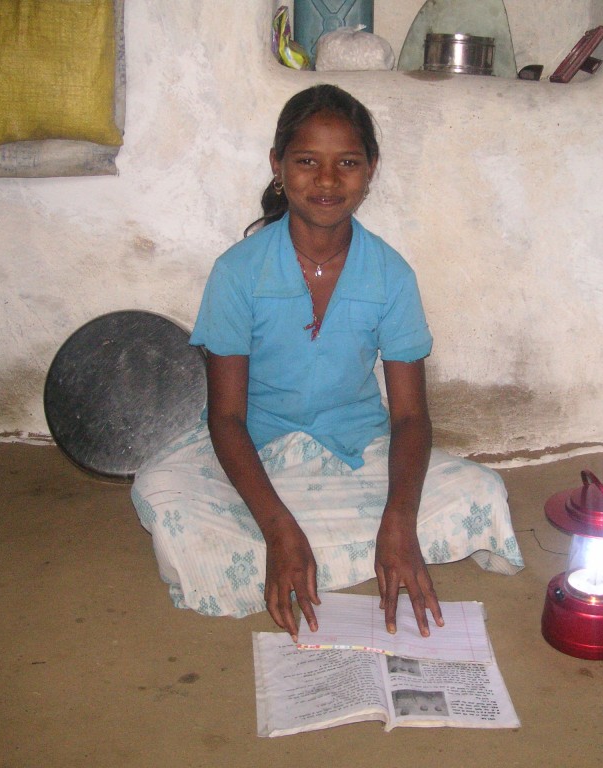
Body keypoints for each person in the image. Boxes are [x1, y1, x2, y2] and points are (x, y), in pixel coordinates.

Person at [132, 84, 522, 641]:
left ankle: (349, 542)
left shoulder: (391, 274)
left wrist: (399, 516)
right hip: (256, 449)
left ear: (370, 172)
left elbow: (410, 417)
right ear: (278, 166)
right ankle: (301, 545)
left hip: (356, 449)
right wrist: (279, 528)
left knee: (482, 490)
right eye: (307, 161)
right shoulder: (238, 273)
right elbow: (226, 417)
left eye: (348, 163)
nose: (327, 180)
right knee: (162, 492)